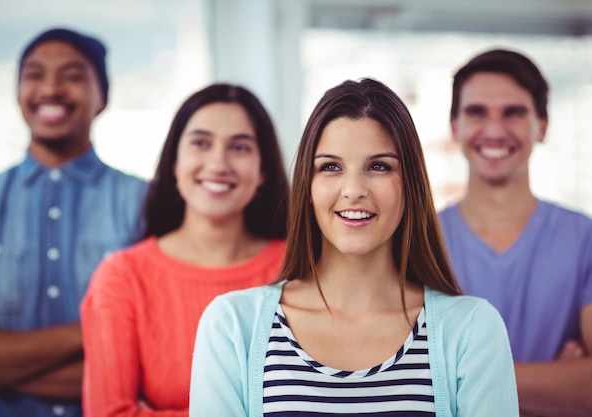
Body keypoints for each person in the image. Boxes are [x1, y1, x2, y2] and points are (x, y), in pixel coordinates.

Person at [189, 78, 518, 416]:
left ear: (410, 185)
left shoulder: (473, 329)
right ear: (308, 186)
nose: (353, 189)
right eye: (331, 167)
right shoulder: (231, 325)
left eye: (379, 166)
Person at [0, 28, 147, 416]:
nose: (51, 88)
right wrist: (97, 328)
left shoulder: (146, 203)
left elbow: (153, 362)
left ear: (104, 97)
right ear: (18, 93)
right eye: (34, 74)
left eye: (72, 76)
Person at [80, 83, 289, 416]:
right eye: (201, 143)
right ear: (174, 162)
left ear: (262, 170)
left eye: (240, 147)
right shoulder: (123, 277)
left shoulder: (302, 265)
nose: (218, 163)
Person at [439, 48, 592, 417]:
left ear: (542, 125)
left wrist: (453, 377)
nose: (494, 130)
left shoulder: (584, 239)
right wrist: (557, 382)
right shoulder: (417, 240)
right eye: (477, 112)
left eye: (514, 112)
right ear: (454, 126)